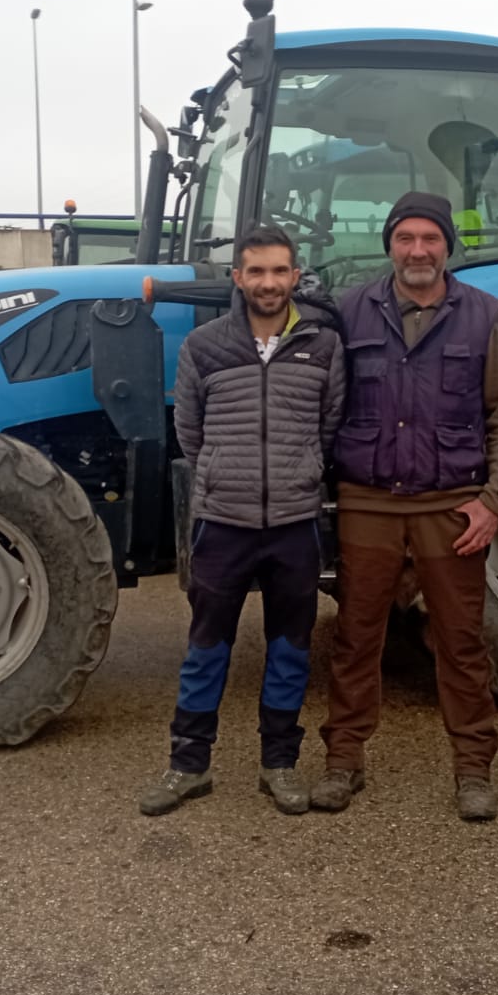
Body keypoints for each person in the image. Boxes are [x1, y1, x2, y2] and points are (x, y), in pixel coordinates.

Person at [311, 191, 498, 822]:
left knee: (461, 641)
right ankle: (343, 762)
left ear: (446, 247)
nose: (418, 250)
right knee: (355, 638)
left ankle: (473, 770)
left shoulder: (485, 315)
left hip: (452, 507)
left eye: (430, 239)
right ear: (390, 246)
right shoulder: (349, 312)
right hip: (369, 502)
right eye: (405, 238)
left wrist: (492, 501)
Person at [139, 225, 345, 817]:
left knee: (289, 649)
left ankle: (278, 765)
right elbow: (190, 432)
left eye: (279, 271)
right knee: (206, 647)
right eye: (256, 271)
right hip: (223, 522)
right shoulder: (204, 346)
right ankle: (188, 766)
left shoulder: (321, 345)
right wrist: (225, 475)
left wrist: (300, 472)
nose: (269, 283)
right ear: (238, 278)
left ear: (295, 276)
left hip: (293, 522)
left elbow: (329, 427)